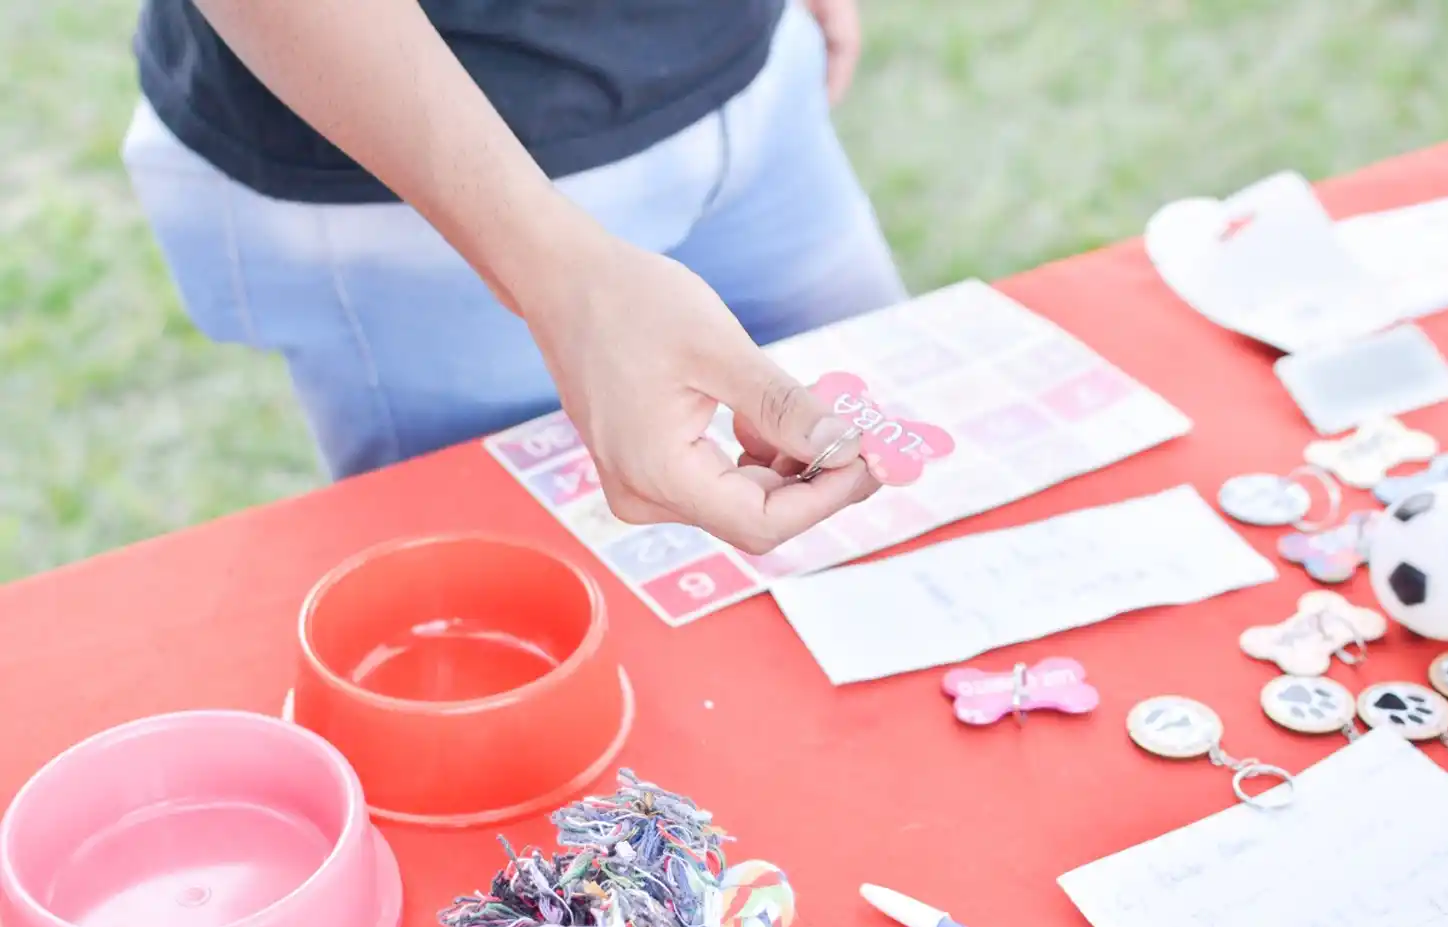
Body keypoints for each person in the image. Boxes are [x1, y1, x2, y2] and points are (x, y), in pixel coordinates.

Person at [122, 0, 908, 554]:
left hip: (760, 82)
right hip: (418, 190)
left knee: (888, 528)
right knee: (526, 619)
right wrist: (560, 281)